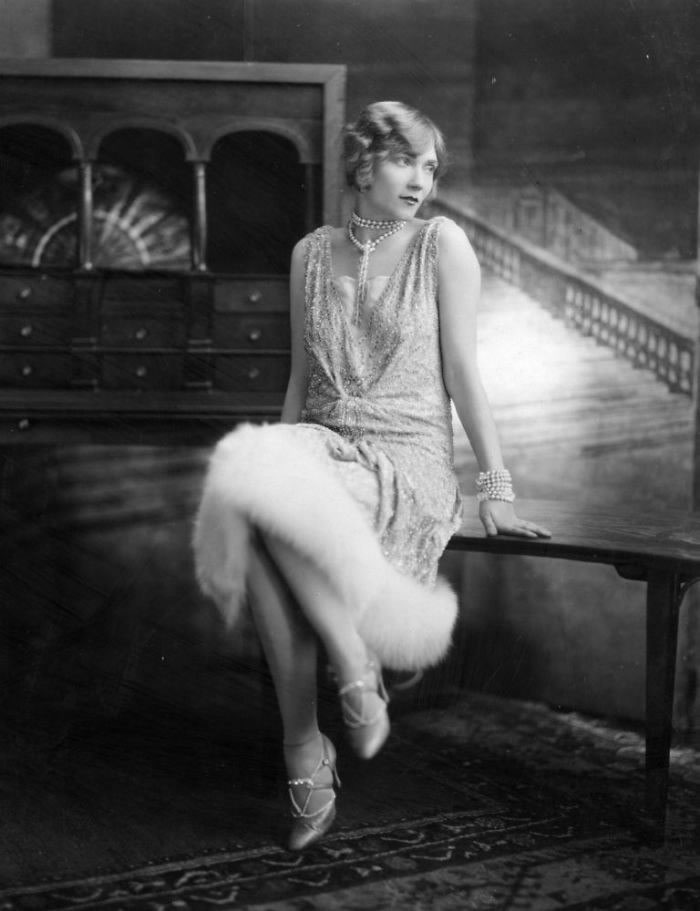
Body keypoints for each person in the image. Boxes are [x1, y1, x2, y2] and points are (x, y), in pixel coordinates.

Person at [193, 100, 551, 852]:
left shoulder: (441, 245)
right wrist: (278, 456)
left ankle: (315, 735)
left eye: (430, 167)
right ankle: (323, 712)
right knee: (252, 491)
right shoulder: (309, 254)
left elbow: (462, 371)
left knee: (267, 505)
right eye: (404, 160)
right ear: (362, 163)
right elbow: (300, 378)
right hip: (325, 444)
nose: (421, 179)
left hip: (407, 459)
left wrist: (496, 487)